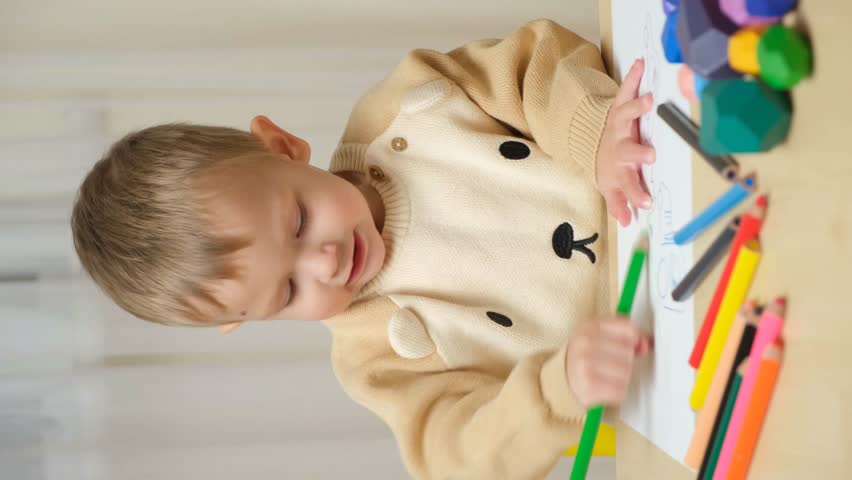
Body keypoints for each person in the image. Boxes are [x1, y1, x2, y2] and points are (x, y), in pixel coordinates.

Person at [71, 19, 655, 479]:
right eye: (289, 291)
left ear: (281, 146)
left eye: (298, 220)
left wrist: (593, 129)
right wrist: (559, 392)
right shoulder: (375, 359)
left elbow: (531, 64)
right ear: (241, 321)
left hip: (663, 176)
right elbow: (452, 457)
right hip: (665, 350)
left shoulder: (412, 104)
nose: (322, 262)